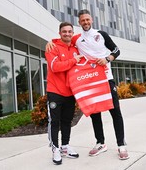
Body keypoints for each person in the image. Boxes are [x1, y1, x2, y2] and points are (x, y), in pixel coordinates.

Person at [47, 9, 129, 160]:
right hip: (90, 81)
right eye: (82, 20)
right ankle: (100, 142)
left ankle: (121, 145)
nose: (85, 22)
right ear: (79, 22)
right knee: (94, 113)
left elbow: (116, 50)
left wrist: (108, 58)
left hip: (106, 78)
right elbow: (62, 40)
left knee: (115, 111)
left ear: (92, 20)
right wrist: (50, 42)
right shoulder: (77, 39)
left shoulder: (101, 34)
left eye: (87, 20)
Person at [45, 22, 83, 165]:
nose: (67, 34)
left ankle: (65, 147)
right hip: (55, 91)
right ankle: (55, 149)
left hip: (70, 92)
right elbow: (55, 67)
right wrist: (73, 60)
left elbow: (87, 36)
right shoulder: (52, 47)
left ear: (72, 33)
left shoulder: (75, 48)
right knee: (54, 122)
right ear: (59, 33)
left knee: (67, 121)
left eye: (69, 31)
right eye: (64, 31)